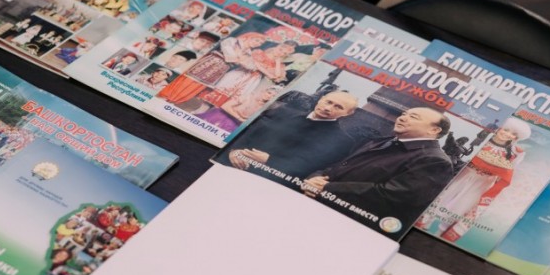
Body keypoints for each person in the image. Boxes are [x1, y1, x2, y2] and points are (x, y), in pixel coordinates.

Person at [302, 106, 455, 227]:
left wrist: (327, 189)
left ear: (434, 130)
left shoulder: (435, 161)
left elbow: (394, 195)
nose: (402, 118)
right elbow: (340, 165)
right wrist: (314, 178)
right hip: (316, 206)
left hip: (352, 225)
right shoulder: (381, 141)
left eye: (413, 117)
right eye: (404, 114)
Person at [416, 117, 531, 241]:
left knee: (462, 207)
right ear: (499, 128)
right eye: (506, 130)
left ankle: (441, 233)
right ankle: (425, 223)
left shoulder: (516, 152)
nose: (507, 134)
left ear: (516, 138)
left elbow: (509, 170)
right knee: (442, 197)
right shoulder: (482, 139)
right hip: (463, 173)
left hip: (483, 182)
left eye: (513, 134)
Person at [220, 90, 365, 180]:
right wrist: (233, 150)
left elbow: (309, 167)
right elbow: (249, 132)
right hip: (229, 165)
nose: (328, 108)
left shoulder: (342, 141)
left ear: (348, 113)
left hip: (267, 182)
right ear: (321, 99)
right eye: (329, 102)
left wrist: (269, 160)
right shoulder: (283, 112)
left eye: (338, 107)